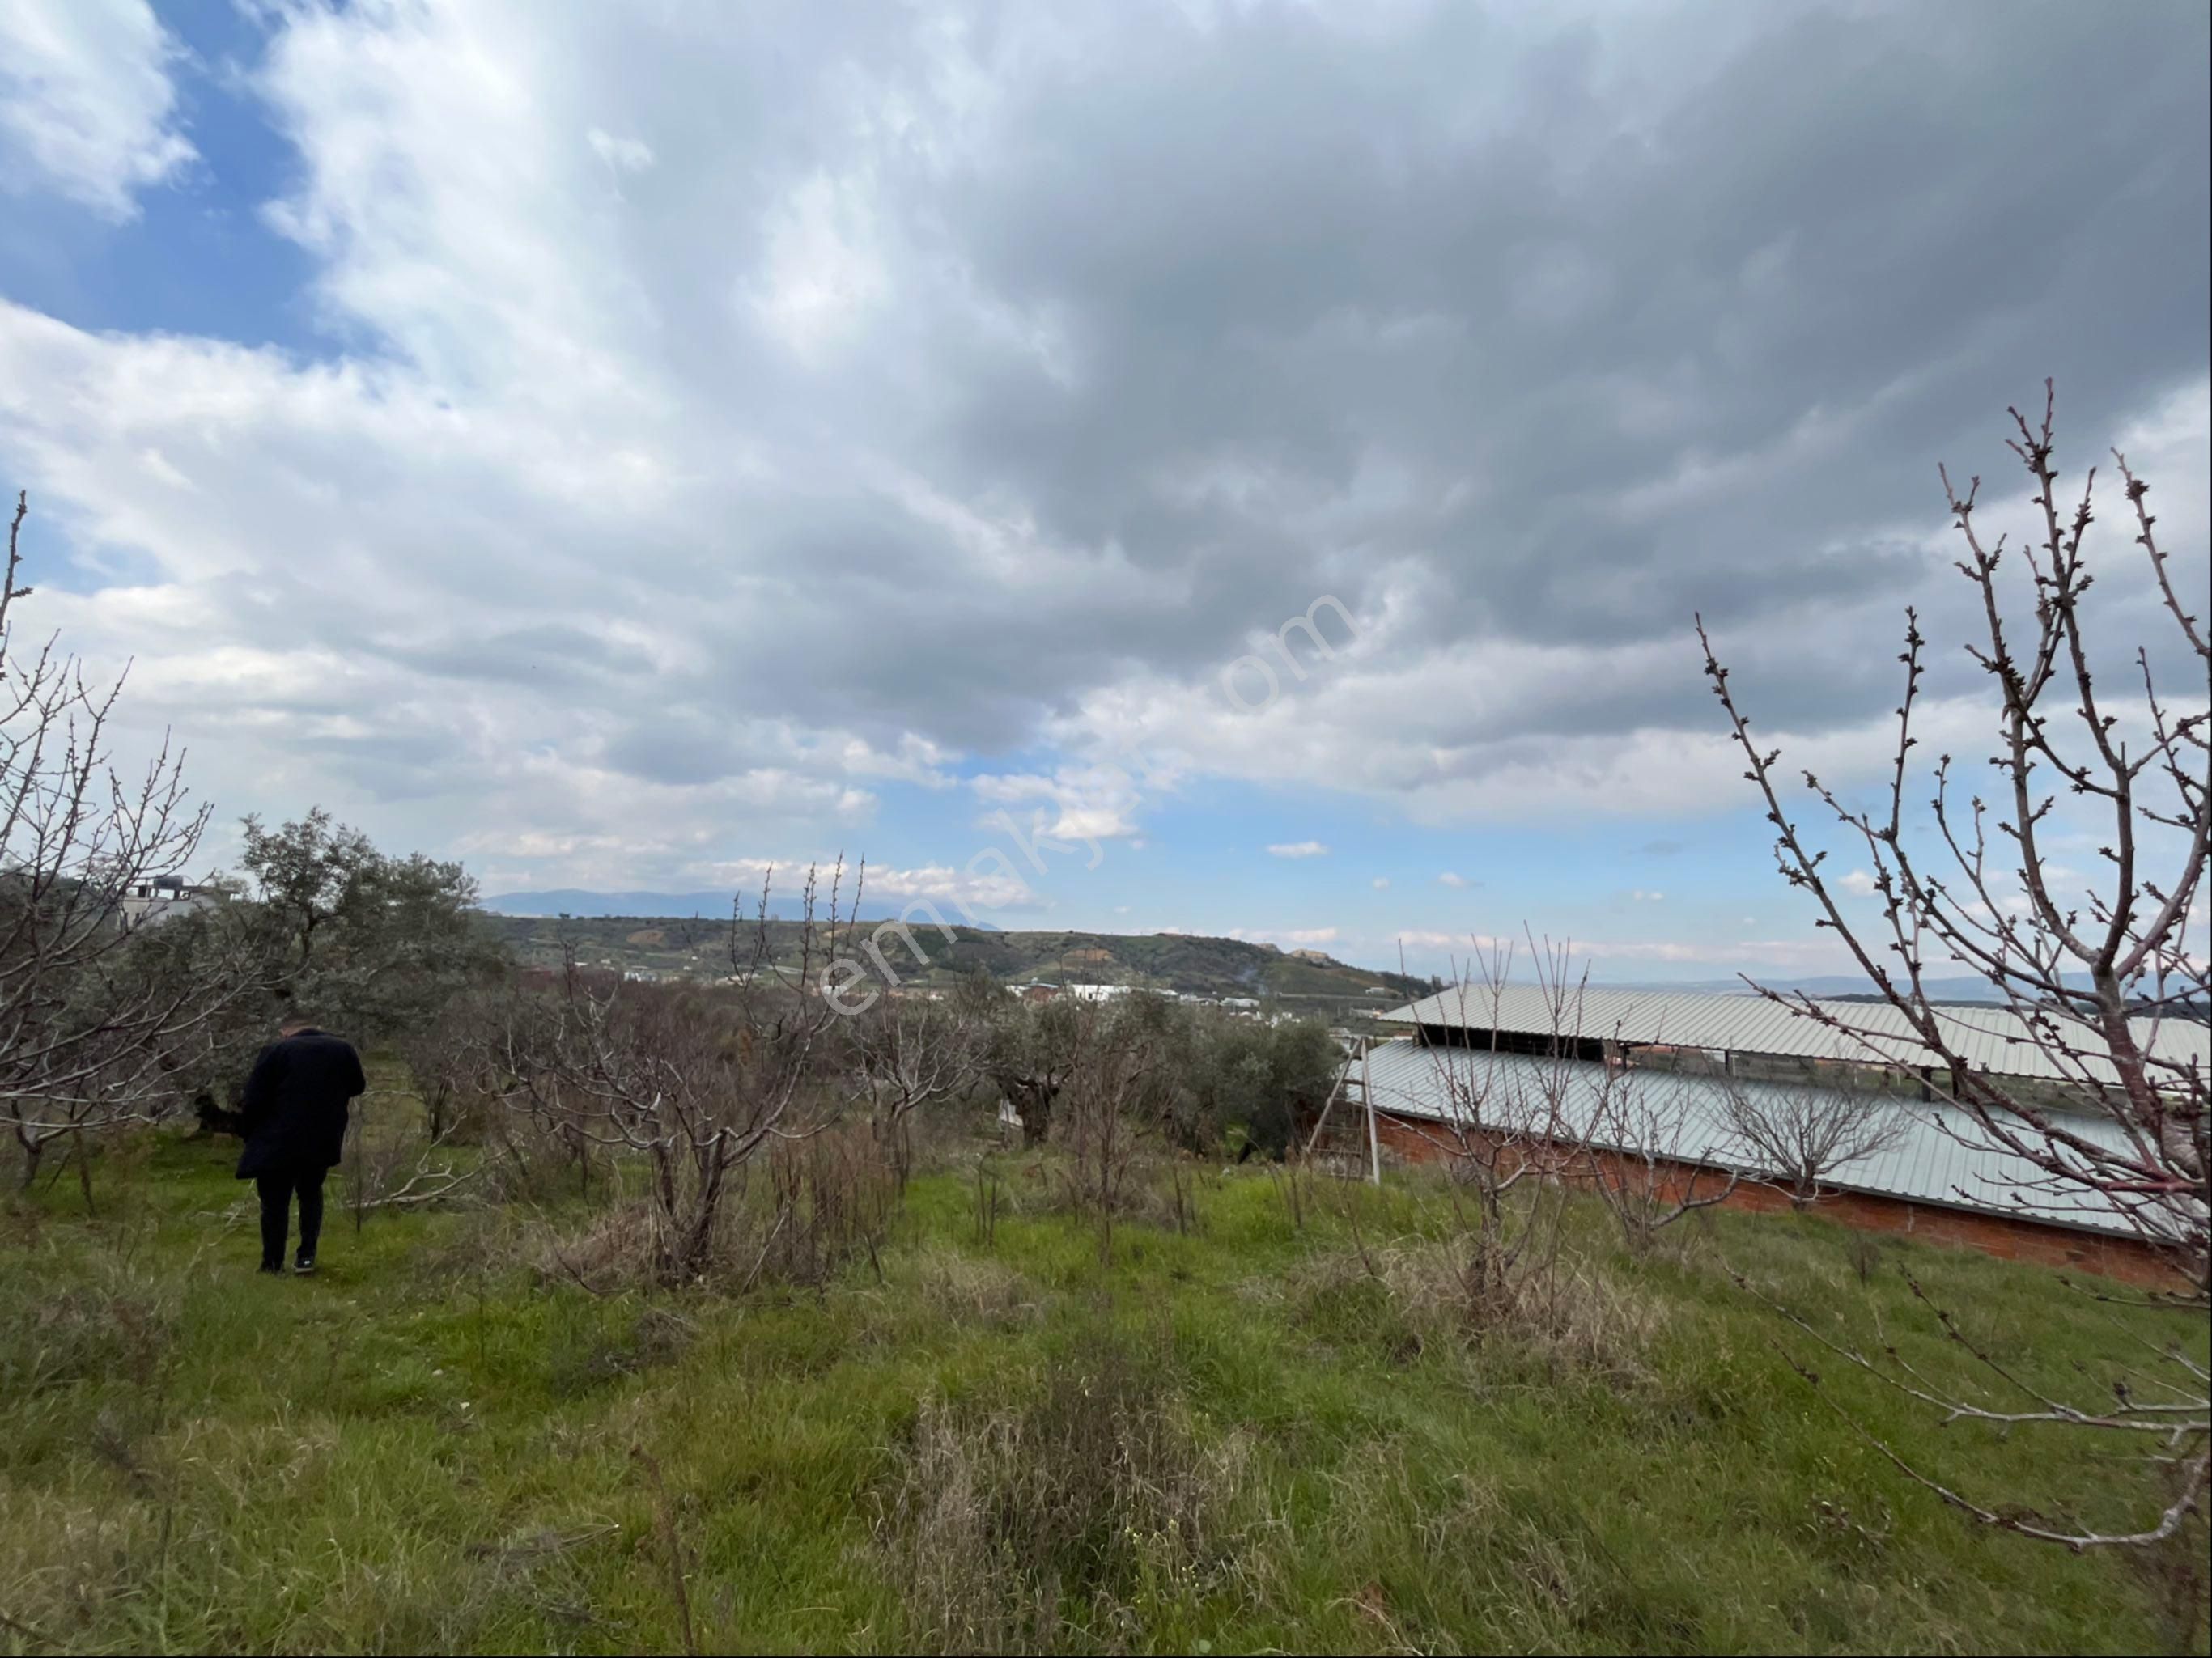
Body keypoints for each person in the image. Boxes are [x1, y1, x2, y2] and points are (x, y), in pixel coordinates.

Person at [236, 1014, 367, 1276]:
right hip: (322, 1136)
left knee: (274, 1202)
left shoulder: (276, 1051)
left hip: (277, 1138)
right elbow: (357, 1086)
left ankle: (272, 1263)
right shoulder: (342, 1049)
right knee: (310, 1193)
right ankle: (306, 1256)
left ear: (285, 1030)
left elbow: (254, 1099)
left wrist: (248, 1132)